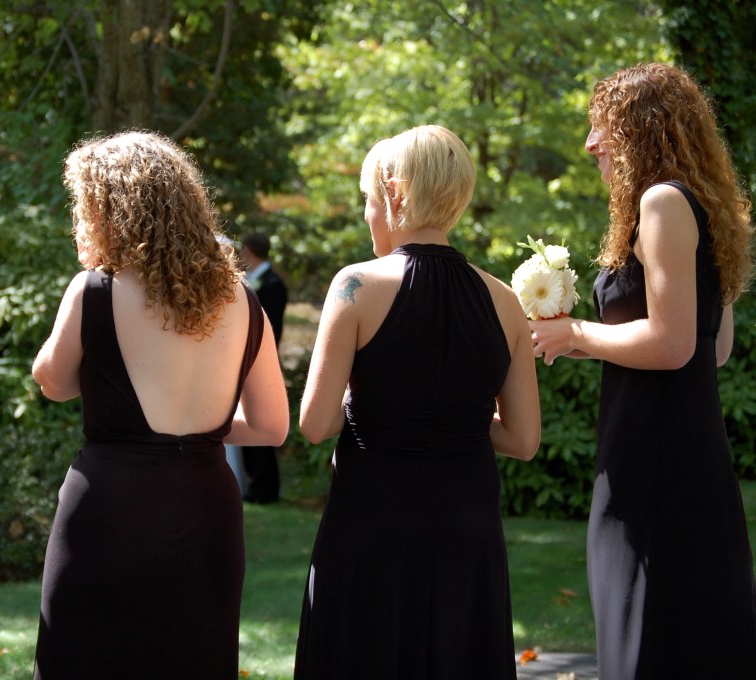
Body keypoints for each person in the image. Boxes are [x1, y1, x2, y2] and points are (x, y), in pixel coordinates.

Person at [31, 130, 289, 679]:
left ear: (108, 211)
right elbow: (271, 426)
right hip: (206, 510)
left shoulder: (94, 289)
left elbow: (52, 381)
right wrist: (199, 425)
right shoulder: (244, 301)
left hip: (109, 508)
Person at [530, 63, 756, 678]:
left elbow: (674, 344)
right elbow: (711, 348)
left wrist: (578, 331)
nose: (591, 144)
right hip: (688, 452)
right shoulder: (700, 206)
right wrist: (576, 342)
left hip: (653, 457)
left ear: (644, 128)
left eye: (603, 127)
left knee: (646, 637)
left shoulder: (661, 202)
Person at [293, 126, 540, 679]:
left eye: (367, 199)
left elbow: (315, 423)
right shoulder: (505, 301)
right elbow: (523, 440)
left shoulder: (356, 286)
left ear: (393, 191)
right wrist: (456, 419)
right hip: (467, 525)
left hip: (373, 521)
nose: (367, 215)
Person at [239, 231, 288, 503]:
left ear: (248, 250)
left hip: (261, 359)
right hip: (244, 359)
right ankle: (255, 484)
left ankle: (265, 488)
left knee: (261, 423)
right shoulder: (250, 281)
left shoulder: (273, 284)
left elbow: (272, 328)